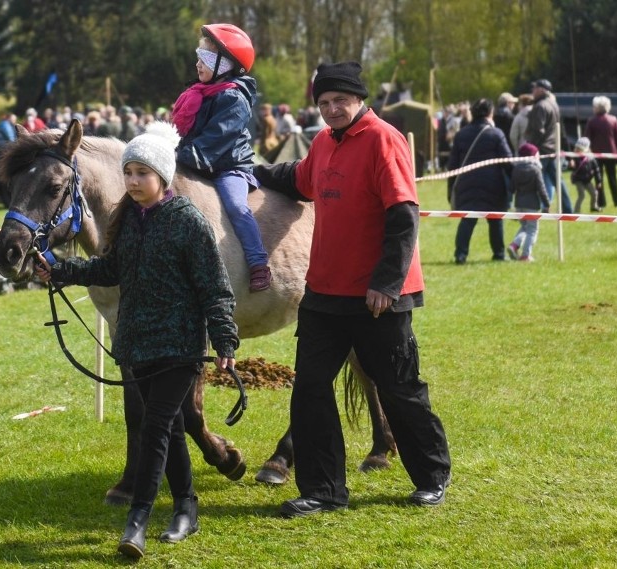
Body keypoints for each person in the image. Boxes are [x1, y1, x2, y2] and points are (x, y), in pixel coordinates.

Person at [33, 122, 239, 560]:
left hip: (180, 347)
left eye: (142, 173)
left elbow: (215, 287)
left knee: (156, 427)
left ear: (162, 176)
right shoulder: (124, 220)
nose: (132, 181)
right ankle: (187, 506)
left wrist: (224, 341)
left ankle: (138, 521)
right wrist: (61, 272)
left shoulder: (188, 222)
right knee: (174, 428)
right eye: (128, 173)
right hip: (137, 345)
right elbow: (110, 270)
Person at [254, 61, 451, 517]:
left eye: (339, 100)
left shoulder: (385, 139)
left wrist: (386, 282)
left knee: (399, 388)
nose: (331, 109)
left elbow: (403, 215)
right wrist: (253, 171)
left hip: (379, 295)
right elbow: (297, 179)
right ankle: (323, 490)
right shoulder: (323, 143)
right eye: (323, 103)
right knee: (310, 389)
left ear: (360, 99)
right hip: (324, 292)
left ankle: (432, 476)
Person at [172, 23, 271, 292]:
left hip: (228, 167)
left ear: (226, 65)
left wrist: (177, 155)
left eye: (205, 59)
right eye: (198, 56)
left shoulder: (234, 99)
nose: (197, 64)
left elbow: (213, 142)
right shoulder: (196, 94)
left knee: (237, 207)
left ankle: (258, 262)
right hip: (196, 161)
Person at [447, 98, 513, 264]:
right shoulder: (496, 134)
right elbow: (508, 162)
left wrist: (451, 190)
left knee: (467, 220)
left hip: (466, 183)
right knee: (495, 219)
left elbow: (452, 165)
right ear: (490, 113)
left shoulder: (461, 134)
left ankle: (460, 255)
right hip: (493, 184)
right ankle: (499, 253)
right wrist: (515, 183)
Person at [525, 79, 573, 213]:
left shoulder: (540, 106)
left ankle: (533, 209)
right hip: (553, 149)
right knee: (558, 181)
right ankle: (568, 209)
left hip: (542, 149)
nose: (532, 92)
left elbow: (538, 130)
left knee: (534, 180)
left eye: (535, 89)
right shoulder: (554, 104)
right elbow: (561, 130)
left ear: (541, 90)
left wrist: (532, 148)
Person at [507, 142, 550, 262]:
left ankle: (514, 245)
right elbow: (541, 189)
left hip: (519, 204)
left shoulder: (515, 169)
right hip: (532, 205)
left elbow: (511, 188)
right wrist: (547, 204)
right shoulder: (535, 170)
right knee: (532, 230)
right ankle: (526, 255)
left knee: (525, 227)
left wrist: (509, 204)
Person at [584, 95, 617, 208]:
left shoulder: (591, 121)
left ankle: (601, 202)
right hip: (611, 153)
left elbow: (587, 138)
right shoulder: (613, 120)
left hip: (596, 154)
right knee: (612, 178)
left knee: (598, 179)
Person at [569, 137, 603, 213]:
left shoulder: (591, 158)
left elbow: (597, 170)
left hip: (587, 180)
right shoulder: (574, 157)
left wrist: (599, 181)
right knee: (582, 195)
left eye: (580, 149)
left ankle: (593, 207)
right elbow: (572, 168)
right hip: (578, 180)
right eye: (577, 148)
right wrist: (571, 165)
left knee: (595, 193)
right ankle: (576, 211)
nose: (578, 150)